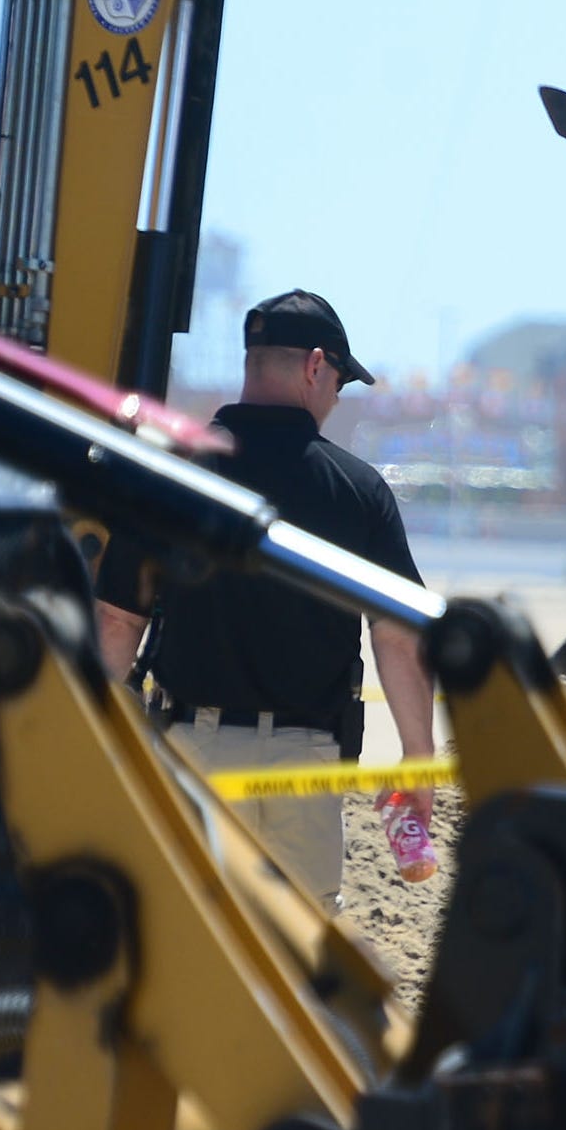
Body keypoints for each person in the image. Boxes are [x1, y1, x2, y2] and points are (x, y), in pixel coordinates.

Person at [93, 289, 436, 907]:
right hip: (307, 763)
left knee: (196, 947)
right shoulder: (358, 491)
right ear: (313, 366)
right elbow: (398, 635)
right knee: (301, 969)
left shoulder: (171, 470)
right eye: (338, 380)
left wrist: (95, 742)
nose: (336, 398)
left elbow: (118, 621)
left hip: (194, 752)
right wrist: (418, 760)